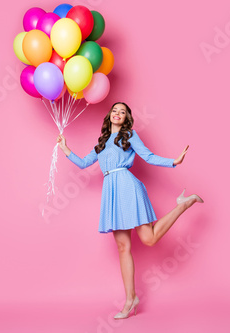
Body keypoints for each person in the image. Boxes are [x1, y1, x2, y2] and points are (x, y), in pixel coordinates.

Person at [56, 102, 203, 319]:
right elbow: (85, 163)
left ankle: (183, 205)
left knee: (149, 239)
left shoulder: (130, 136)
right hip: (111, 192)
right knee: (123, 247)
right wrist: (65, 148)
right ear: (109, 116)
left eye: (122, 112)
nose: (118, 113)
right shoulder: (102, 142)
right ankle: (130, 299)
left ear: (126, 118)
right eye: (115, 110)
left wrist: (174, 161)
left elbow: (149, 156)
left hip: (127, 186)